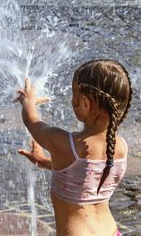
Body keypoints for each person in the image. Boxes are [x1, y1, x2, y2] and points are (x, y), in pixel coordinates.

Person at [15, 60, 132, 236]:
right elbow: (85, 177)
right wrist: (45, 162)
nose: (72, 100)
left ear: (85, 103)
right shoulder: (120, 147)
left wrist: (29, 101)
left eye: (74, 95)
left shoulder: (63, 142)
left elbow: (32, 122)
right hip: (111, 231)